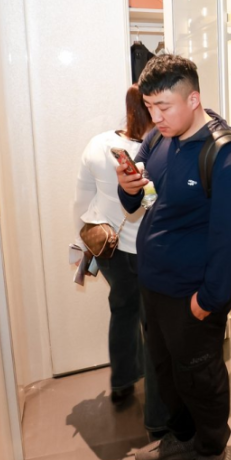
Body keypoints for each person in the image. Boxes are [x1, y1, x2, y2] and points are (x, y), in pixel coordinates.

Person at [116, 55, 231, 460]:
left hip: (193, 293)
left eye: (164, 106)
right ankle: (182, 435)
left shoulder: (224, 153)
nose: (155, 117)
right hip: (154, 285)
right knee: (165, 371)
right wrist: (127, 186)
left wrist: (210, 298)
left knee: (200, 374)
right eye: (149, 106)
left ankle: (212, 451)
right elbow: (137, 197)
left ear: (193, 99)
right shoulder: (157, 138)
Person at [73, 85, 169, 435]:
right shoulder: (160, 149)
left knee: (122, 311)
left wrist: (81, 243)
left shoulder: (99, 144)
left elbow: (81, 201)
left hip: (110, 251)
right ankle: (159, 416)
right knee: (154, 327)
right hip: (149, 253)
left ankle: (122, 383)